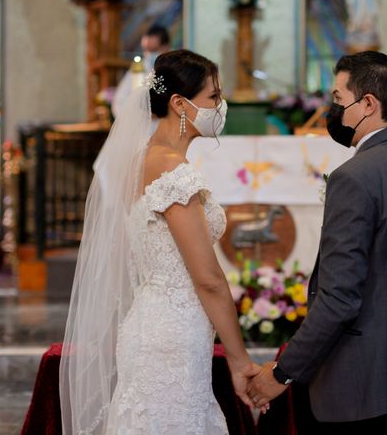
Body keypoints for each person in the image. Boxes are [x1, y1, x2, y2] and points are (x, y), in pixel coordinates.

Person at [60, 50, 264, 434]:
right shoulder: (172, 170)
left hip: (150, 322)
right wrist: (239, 361)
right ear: (179, 104)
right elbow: (208, 278)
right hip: (174, 336)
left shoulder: (141, 159)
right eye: (213, 97)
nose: (221, 106)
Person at [247, 51, 387, 434]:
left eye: (339, 100)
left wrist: (283, 372)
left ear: (368, 103)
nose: (333, 110)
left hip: (363, 385)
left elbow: (339, 298)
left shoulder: (354, 177)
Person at [111, 24, 171, 119]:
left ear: (166, 47)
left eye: (153, 50)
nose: (149, 54)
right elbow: (119, 101)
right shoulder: (139, 68)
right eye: (146, 50)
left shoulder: (175, 67)